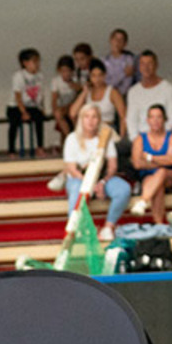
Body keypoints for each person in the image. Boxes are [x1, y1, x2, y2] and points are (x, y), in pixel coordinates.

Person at [63, 104, 130, 242]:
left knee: (123, 189)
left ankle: (108, 227)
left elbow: (112, 166)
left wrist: (102, 182)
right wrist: (89, 184)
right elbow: (72, 169)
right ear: (81, 119)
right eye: (87, 117)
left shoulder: (105, 138)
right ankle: (77, 230)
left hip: (102, 178)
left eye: (94, 117)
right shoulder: (72, 138)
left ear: (99, 119)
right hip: (79, 179)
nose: (90, 120)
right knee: (76, 193)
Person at [129, 105, 172, 224]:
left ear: (164, 119)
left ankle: (143, 201)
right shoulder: (140, 139)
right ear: (147, 120)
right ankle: (159, 225)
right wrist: (162, 161)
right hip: (149, 177)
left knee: (161, 172)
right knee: (157, 186)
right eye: (152, 117)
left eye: (159, 117)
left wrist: (149, 157)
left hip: (170, 175)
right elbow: (137, 164)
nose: (155, 120)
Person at [125, 50, 172, 142]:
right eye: (143, 64)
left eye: (149, 63)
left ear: (156, 65)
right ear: (139, 67)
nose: (146, 67)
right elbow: (131, 120)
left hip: (163, 138)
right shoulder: (133, 92)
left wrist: (158, 136)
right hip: (140, 139)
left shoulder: (168, 88)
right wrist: (136, 141)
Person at [69, 59, 126, 138]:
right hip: (90, 130)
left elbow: (123, 116)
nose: (97, 79)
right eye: (94, 75)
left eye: (100, 75)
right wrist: (84, 92)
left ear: (104, 75)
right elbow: (72, 113)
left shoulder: (112, 92)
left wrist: (121, 138)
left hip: (107, 130)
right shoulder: (88, 92)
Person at [6, 48, 45, 158]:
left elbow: (41, 94)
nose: (37, 64)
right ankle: (11, 150)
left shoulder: (40, 75)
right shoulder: (18, 76)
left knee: (39, 118)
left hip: (31, 106)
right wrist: (23, 112)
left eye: (38, 61)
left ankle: (40, 147)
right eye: (34, 61)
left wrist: (42, 107)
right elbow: (18, 97)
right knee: (14, 122)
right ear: (25, 63)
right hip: (15, 106)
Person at [50, 55, 78, 142]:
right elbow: (54, 98)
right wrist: (54, 110)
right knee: (58, 114)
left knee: (73, 114)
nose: (66, 74)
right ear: (59, 71)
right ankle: (69, 137)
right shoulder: (56, 81)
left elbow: (80, 95)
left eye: (68, 71)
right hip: (63, 107)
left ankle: (78, 135)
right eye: (63, 71)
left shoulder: (76, 79)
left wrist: (76, 86)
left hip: (74, 106)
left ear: (72, 71)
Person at [104, 28, 137, 97]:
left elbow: (127, 84)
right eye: (115, 39)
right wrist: (123, 73)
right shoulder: (104, 61)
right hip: (106, 95)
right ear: (110, 40)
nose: (117, 42)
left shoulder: (129, 59)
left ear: (125, 44)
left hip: (124, 96)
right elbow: (105, 83)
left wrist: (116, 94)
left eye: (121, 40)